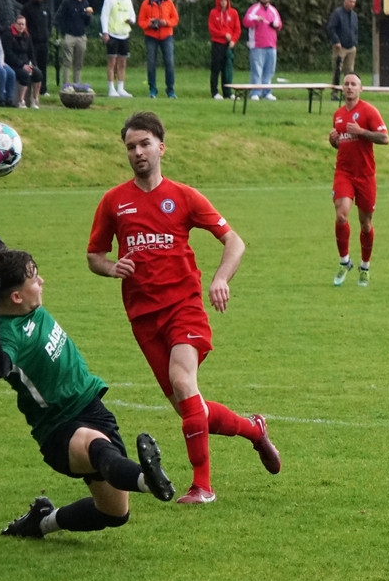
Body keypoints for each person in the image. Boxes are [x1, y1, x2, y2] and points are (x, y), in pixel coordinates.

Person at [86, 111, 281, 505]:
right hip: (143, 318)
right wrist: (111, 267)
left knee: (182, 380)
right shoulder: (114, 202)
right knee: (191, 408)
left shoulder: (184, 196)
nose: (138, 152)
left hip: (184, 307)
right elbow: (94, 255)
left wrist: (221, 279)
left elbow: (234, 241)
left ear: (161, 147)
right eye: (130, 147)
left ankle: (202, 487)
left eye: (144, 144)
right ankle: (254, 430)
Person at [0, 221, 175, 539]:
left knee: (114, 513)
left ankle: (42, 521)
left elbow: (9, 271)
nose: (42, 281)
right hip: (59, 426)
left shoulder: (21, 299)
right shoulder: (7, 334)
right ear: (16, 296)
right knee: (96, 446)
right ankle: (148, 480)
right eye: (35, 279)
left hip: (92, 406)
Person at [327, 73, 389, 287]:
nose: (349, 87)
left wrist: (362, 131)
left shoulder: (369, 111)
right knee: (341, 215)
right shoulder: (338, 115)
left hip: (365, 175)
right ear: (342, 88)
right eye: (346, 84)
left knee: (366, 224)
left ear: (360, 89)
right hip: (344, 173)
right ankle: (344, 261)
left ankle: (365, 267)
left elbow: (385, 138)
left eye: (353, 84)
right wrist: (333, 141)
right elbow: (343, 143)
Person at [137, 0, 179, 99]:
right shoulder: (145, 4)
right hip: (151, 36)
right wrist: (149, 24)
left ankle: (170, 90)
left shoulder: (168, 2)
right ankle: (152, 90)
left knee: (169, 63)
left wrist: (166, 22)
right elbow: (141, 22)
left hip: (166, 35)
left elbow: (175, 19)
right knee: (151, 63)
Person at [242, 0, 282, 101]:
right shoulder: (253, 9)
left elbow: (279, 24)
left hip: (271, 45)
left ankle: (267, 92)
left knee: (269, 70)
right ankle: (255, 92)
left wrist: (276, 25)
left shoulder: (273, 11)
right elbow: (246, 22)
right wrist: (256, 20)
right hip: (257, 45)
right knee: (257, 70)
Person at [100, 0, 136, 97]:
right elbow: (104, 16)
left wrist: (131, 21)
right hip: (112, 35)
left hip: (124, 35)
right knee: (112, 62)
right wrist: (105, 32)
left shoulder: (128, 1)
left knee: (123, 63)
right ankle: (111, 88)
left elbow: (133, 16)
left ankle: (121, 88)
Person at [55, 0, 94, 86]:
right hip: (69, 35)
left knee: (78, 63)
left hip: (81, 35)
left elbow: (87, 23)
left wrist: (88, 15)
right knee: (67, 61)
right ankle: (66, 84)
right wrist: (64, 32)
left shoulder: (85, 3)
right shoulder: (67, 2)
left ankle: (77, 84)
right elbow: (61, 18)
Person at [2, 15, 43, 109]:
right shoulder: (8, 35)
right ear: (14, 24)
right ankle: (21, 100)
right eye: (19, 24)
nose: (21, 26)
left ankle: (35, 99)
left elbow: (31, 52)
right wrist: (21, 65)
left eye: (23, 24)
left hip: (25, 63)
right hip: (12, 64)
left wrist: (34, 65)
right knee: (24, 75)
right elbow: (8, 54)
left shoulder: (27, 35)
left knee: (38, 74)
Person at [208, 0, 241, 100]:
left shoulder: (233, 13)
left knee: (227, 69)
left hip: (229, 45)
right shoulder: (213, 13)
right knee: (216, 68)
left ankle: (227, 92)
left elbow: (237, 29)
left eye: (225, 0)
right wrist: (223, 34)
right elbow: (212, 29)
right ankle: (214, 92)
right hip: (217, 44)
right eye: (221, 0)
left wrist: (233, 40)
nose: (223, 3)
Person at [327, 0, 358, 98]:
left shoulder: (354, 15)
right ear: (345, 2)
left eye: (354, 2)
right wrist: (336, 41)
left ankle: (348, 93)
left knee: (350, 72)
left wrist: (355, 42)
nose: (352, 4)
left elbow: (355, 30)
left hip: (351, 48)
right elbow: (331, 28)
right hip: (340, 47)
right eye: (350, 1)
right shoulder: (337, 14)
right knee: (337, 70)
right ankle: (334, 93)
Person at [22, 0, 51, 96]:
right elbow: (24, 25)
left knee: (43, 66)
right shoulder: (26, 8)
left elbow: (49, 23)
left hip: (44, 42)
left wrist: (48, 34)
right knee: (33, 65)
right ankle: (31, 89)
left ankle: (43, 89)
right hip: (32, 42)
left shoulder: (46, 8)